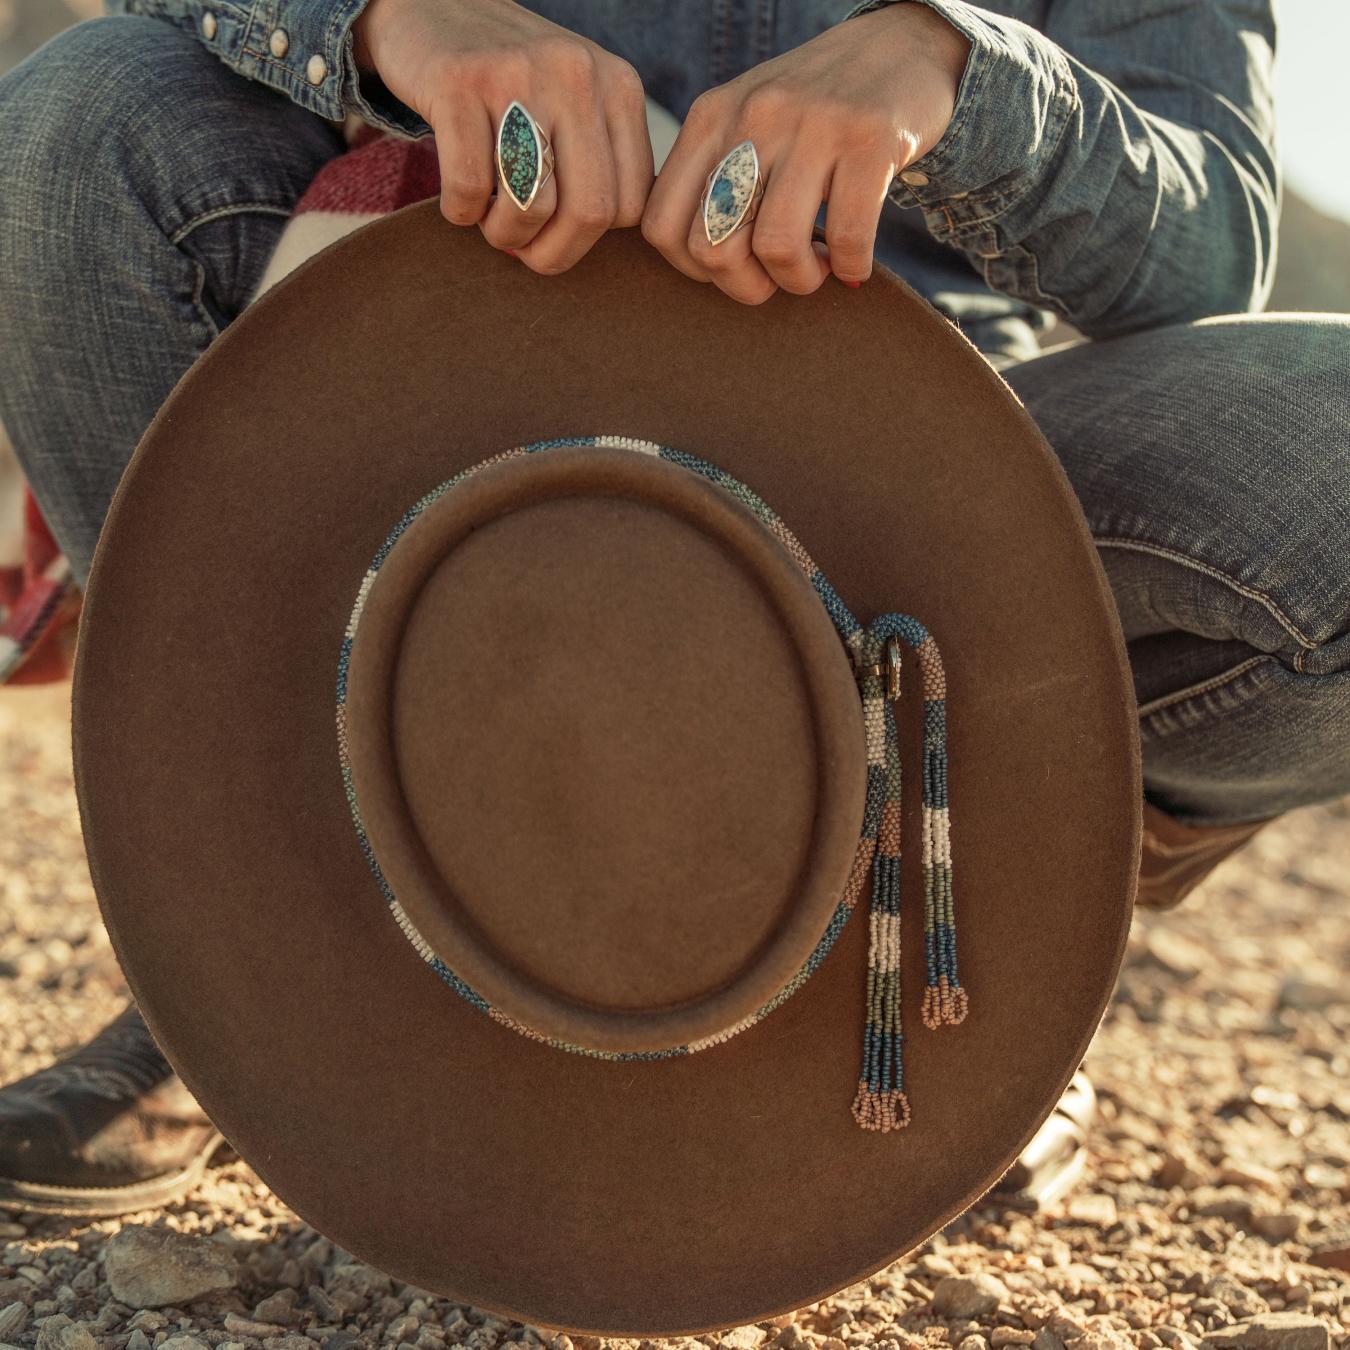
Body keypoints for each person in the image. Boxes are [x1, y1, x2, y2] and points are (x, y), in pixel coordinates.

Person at [0, 0, 1345, 1217]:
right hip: (457, 386)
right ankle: (256, 969)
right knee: (74, 128)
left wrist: (951, 69)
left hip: (917, 469)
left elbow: (1207, 241)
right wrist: (393, 20)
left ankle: (981, 959)